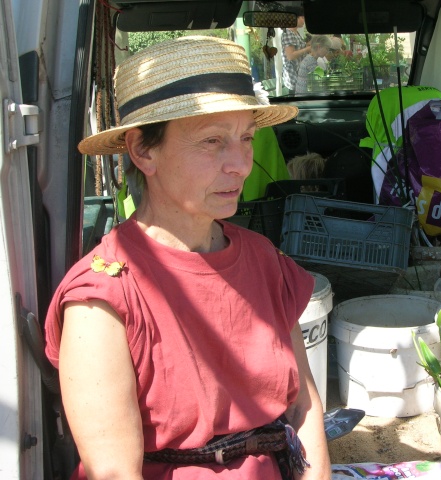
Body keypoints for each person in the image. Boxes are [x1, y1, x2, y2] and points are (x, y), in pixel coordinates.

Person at [44, 36, 331, 480]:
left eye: (246, 138)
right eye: (212, 141)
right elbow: (115, 472)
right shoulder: (103, 299)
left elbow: (303, 406)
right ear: (143, 151)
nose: (240, 163)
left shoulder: (262, 259)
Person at [281, 7, 311, 93]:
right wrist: (307, 49)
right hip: (293, 78)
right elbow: (290, 56)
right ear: (295, 18)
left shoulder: (295, 33)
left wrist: (308, 45)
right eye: (302, 17)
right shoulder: (288, 33)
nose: (304, 20)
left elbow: (298, 48)